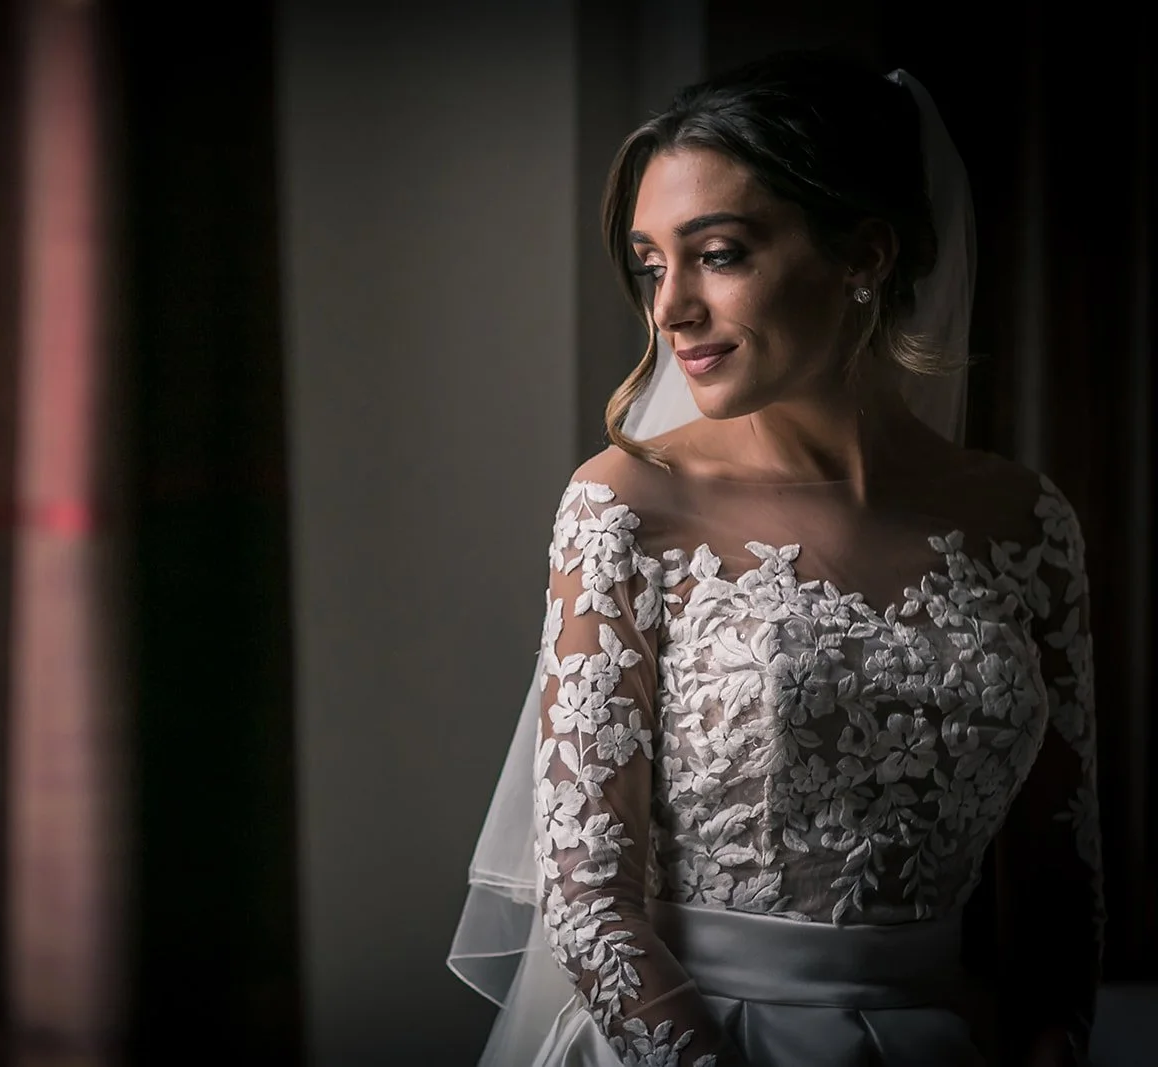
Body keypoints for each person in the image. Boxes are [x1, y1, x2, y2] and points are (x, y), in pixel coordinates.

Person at [447, 52, 1102, 1067]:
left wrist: (1052, 1039)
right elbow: (585, 901)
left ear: (864, 253)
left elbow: (1059, 870)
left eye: (716, 253)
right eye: (651, 264)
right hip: (682, 1040)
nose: (668, 310)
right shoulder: (623, 505)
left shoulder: (1024, 520)